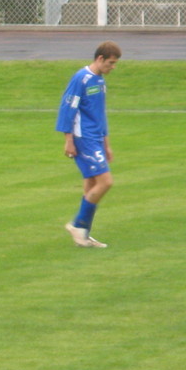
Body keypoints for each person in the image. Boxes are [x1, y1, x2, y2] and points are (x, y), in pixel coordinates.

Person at [56, 41, 122, 248]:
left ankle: (83, 234)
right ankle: (77, 225)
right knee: (106, 182)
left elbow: (99, 115)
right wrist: (68, 140)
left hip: (95, 138)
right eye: (110, 63)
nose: (113, 67)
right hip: (83, 138)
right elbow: (68, 108)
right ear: (100, 58)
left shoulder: (100, 81)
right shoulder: (81, 79)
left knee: (92, 185)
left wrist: (107, 143)